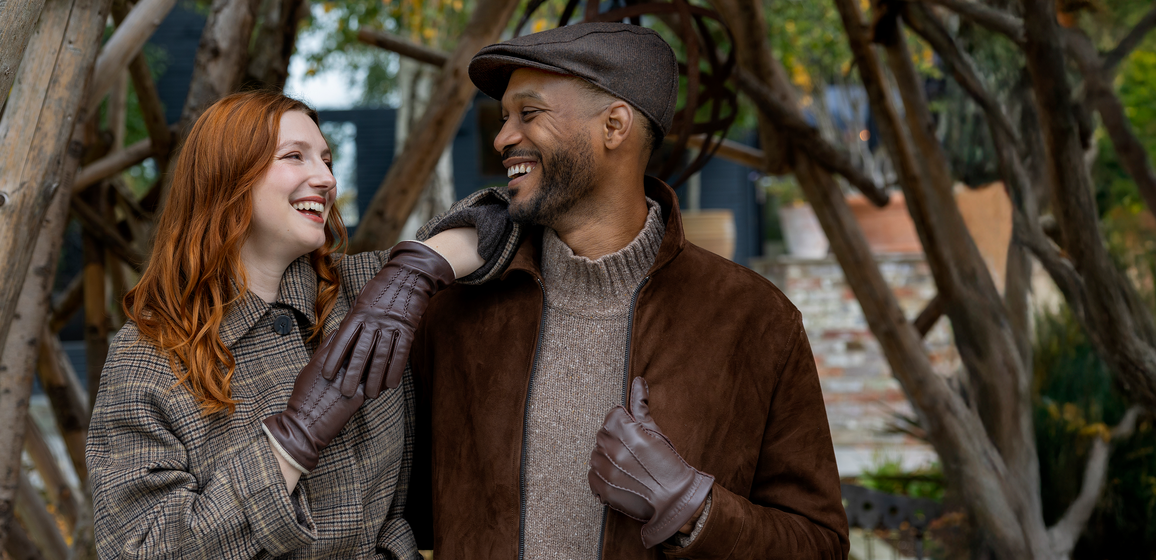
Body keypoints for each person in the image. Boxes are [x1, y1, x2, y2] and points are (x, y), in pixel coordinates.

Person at [405, 23, 850, 559]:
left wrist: (694, 510)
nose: (502, 138)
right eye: (504, 118)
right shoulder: (456, 313)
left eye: (529, 113)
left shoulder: (756, 321)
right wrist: (412, 268)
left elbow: (820, 545)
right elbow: (381, 507)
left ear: (614, 126)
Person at [87, 90, 515, 558]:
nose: (326, 178)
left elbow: (507, 214)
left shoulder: (366, 289)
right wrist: (295, 438)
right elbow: (145, 548)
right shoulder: (151, 353)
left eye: (327, 160)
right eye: (295, 156)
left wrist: (413, 275)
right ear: (227, 175)